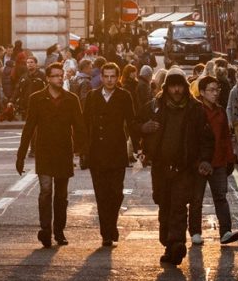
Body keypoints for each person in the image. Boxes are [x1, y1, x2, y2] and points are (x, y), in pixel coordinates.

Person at [140, 69, 214, 266]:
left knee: (179, 206)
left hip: (185, 167)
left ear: (185, 87)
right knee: (164, 204)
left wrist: (205, 160)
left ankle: (177, 243)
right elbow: (137, 125)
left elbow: (206, 138)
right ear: (166, 88)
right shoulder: (155, 106)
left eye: (180, 86)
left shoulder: (195, 109)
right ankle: (168, 243)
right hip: (160, 166)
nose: (176, 90)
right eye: (173, 86)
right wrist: (142, 130)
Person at [16, 61, 86, 248]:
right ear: (48, 78)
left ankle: (59, 231)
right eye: (54, 75)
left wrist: (83, 152)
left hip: (64, 151)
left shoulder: (71, 99)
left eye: (60, 75)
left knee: (61, 195)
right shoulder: (37, 98)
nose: (58, 78)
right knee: (46, 191)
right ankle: (45, 230)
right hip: (44, 151)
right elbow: (29, 127)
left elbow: (79, 127)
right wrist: (20, 155)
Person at [80, 62, 139, 246]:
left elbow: (131, 122)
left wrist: (138, 148)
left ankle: (111, 224)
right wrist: (83, 150)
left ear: (118, 77)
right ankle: (107, 232)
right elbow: (84, 123)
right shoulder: (92, 96)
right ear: (101, 77)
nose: (109, 80)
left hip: (117, 151)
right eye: (106, 76)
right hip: (96, 152)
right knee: (101, 194)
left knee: (116, 193)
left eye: (113, 76)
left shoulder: (124, 96)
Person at [190, 75, 238, 246]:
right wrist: (196, 162)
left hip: (218, 162)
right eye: (211, 90)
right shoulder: (195, 110)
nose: (215, 93)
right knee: (196, 199)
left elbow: (226, 136)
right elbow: (191, 139)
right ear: (202, 92)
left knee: (221, 197)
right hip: (200, 164)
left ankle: (225, 231)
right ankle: (195, 232)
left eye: (217, 89)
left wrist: (230, 158)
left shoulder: (220, 111)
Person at [7, 55, 45, 121]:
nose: (29, 64)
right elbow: (17, 90)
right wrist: (11, 101)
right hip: (25, 106)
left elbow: (48, 89)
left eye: (31, 62)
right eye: (28, 63)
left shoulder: (42, 76)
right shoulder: (23, 77)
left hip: (39, 105)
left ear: (36, 64)